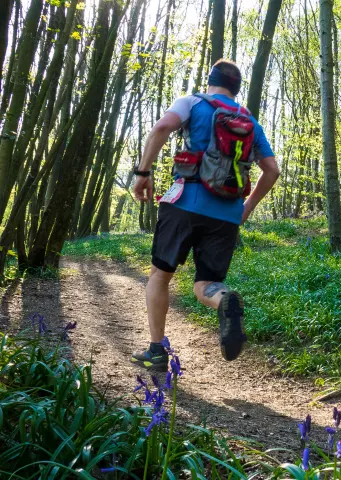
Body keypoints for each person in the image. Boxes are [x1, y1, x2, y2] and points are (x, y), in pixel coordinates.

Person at [131, 59, 280, 370]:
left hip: (185, 202)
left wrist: (143, 172)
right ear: (237, 89)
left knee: (161, 275)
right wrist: (246, 207)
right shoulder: (250, 122)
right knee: (206, 284)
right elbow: (272, 170)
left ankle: (156, 350)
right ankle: (222, 297)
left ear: (210, 80)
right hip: (226, 214)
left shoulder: (192, 102)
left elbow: (162, 127)